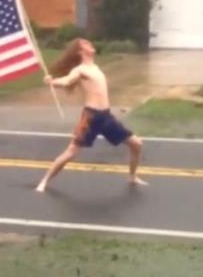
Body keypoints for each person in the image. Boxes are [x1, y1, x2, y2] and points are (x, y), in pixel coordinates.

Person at [35, 38, 147, 193]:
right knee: (71, 153)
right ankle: (44, 182)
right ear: (80, 51)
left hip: (107, 117)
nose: (90, 45)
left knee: (136, 144)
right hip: (91, 118)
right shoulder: (80, 70)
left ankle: (132, 176)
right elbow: (68, 81)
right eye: (86, 44)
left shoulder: (95, 67)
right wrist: (52, 82)